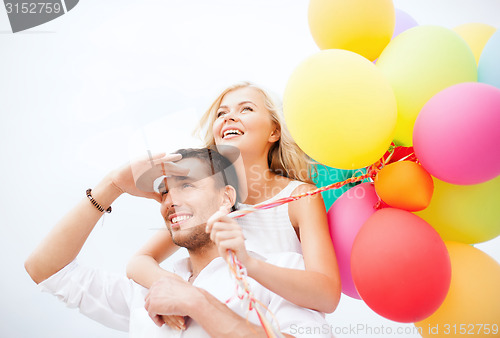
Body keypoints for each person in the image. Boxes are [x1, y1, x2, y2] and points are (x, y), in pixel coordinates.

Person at [24, 148, 331, 337]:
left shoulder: (280, 271)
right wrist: (111, 185)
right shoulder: (148, 289)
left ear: (226, 198)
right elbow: (46, 270)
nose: (170, 200)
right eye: (164, 192)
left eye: (186, 185)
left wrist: (196, 302)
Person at [127, 82, 341, 330]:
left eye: (246, 109)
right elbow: (138, 262)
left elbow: (326, 295)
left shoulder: (299, 197)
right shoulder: (210, 201)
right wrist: (176, 289)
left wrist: (249, 265)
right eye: (221, 113)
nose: (229, 117)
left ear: (274, 131)